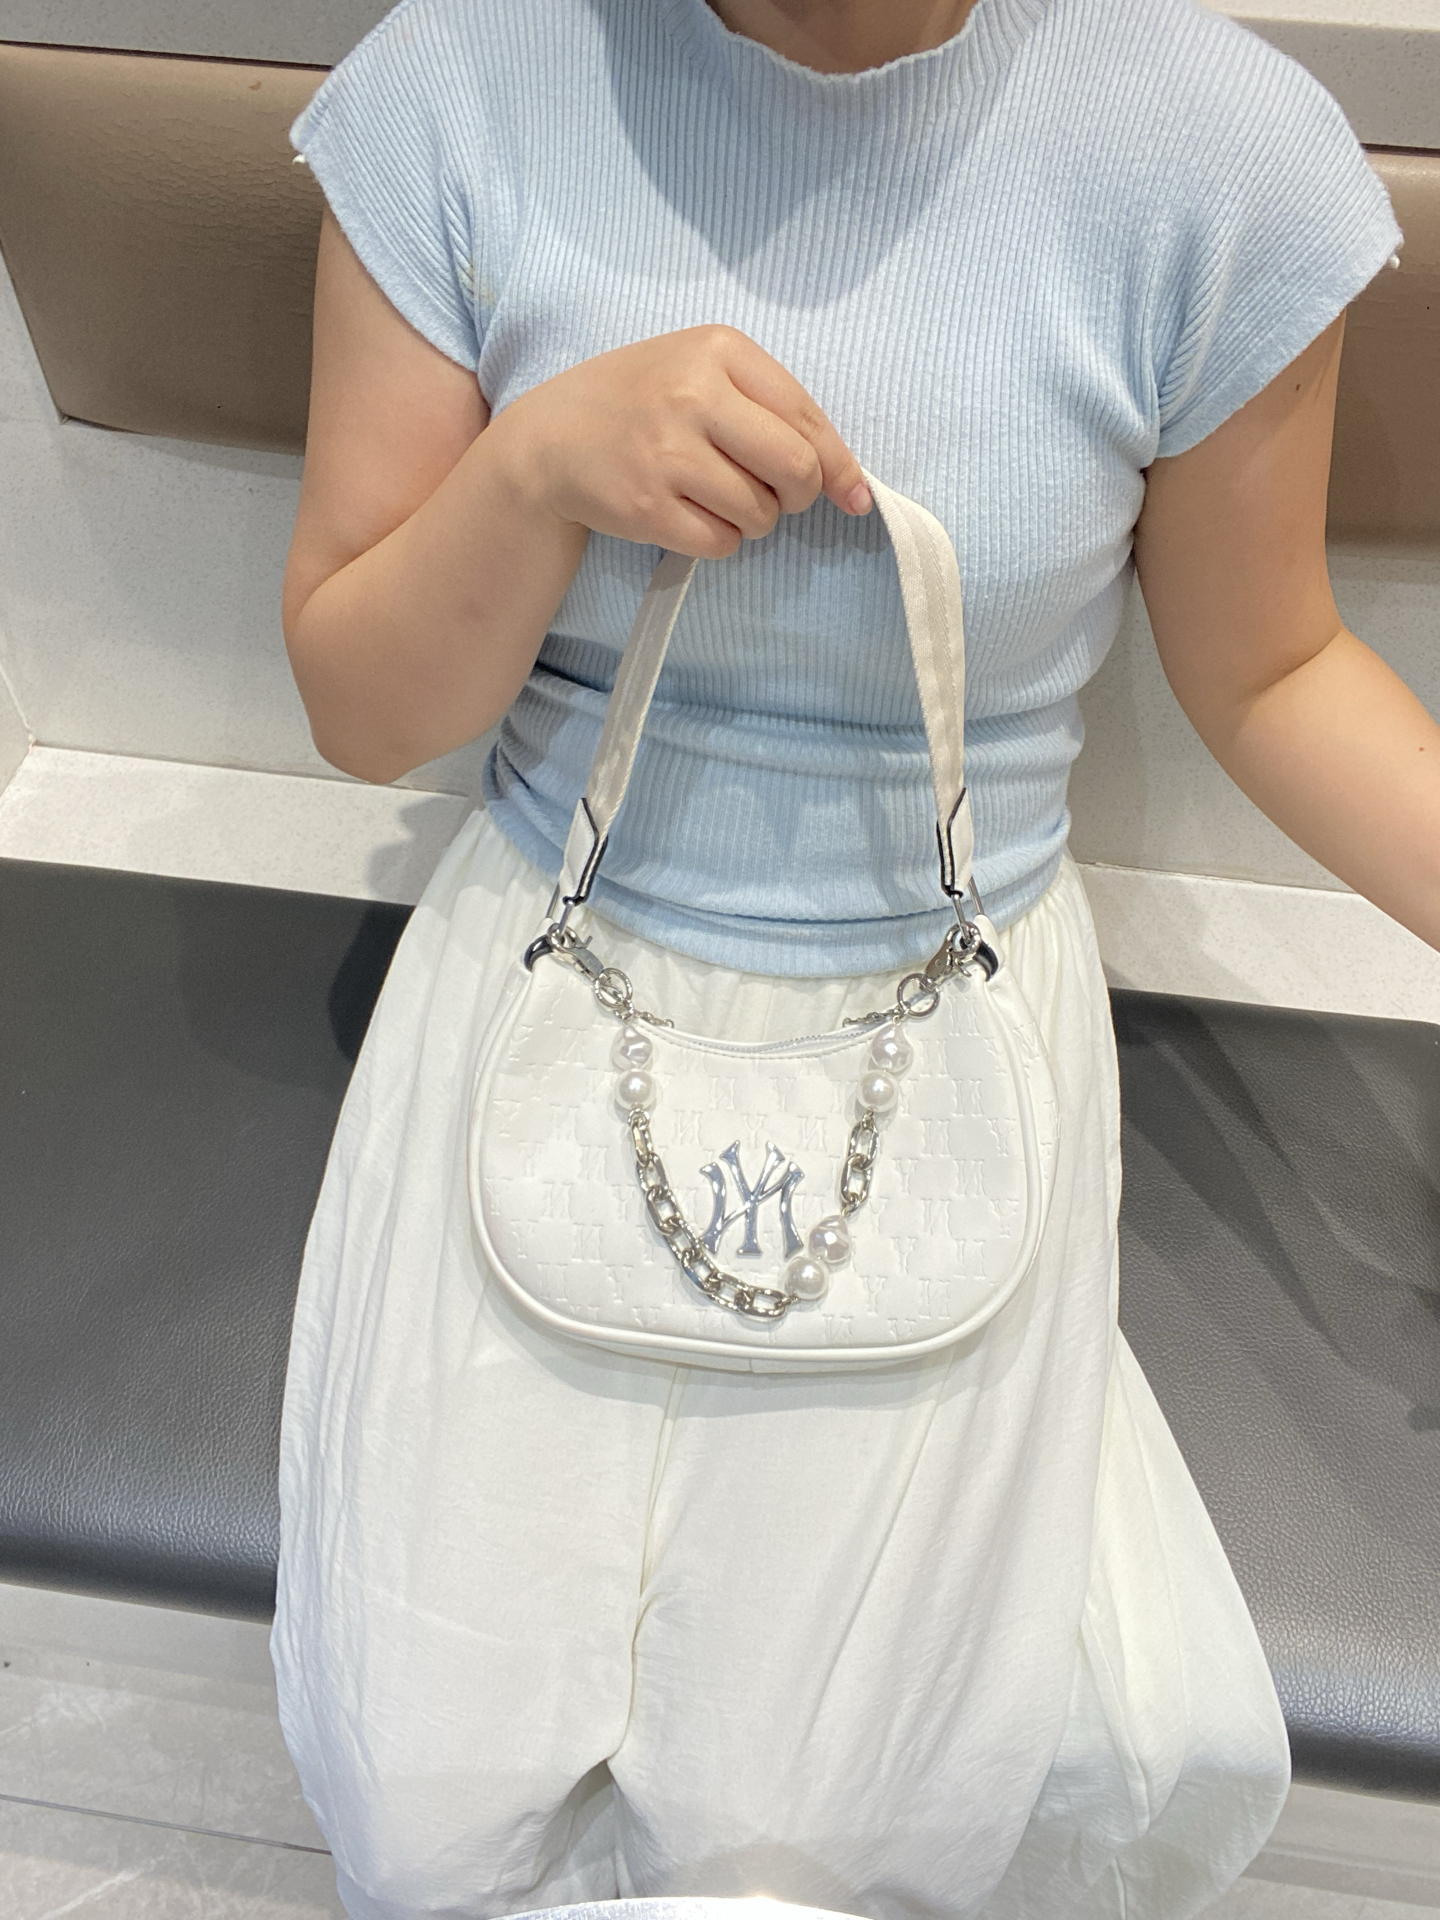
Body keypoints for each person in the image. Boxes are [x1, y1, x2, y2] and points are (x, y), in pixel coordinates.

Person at [269, 0, 1437, 1915]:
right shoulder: (464, 82)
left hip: (947, 1006)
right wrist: (534, 471)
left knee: (803, 1835)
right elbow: (359, 702)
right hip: (550, 954)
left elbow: (1275, 665)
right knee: (421, 1797)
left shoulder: (1212, 155)